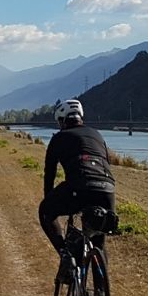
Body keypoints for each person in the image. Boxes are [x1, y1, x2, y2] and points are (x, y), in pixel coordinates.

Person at [38, 99, 116, 277]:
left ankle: (66, 256)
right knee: (98, 240)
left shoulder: (59, 137)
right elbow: (107, 163)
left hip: (79, 187)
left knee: (45, 211)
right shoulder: (97, 134)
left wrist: (49, 199)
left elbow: (49, 173)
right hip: (107, 190)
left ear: (62, 121)